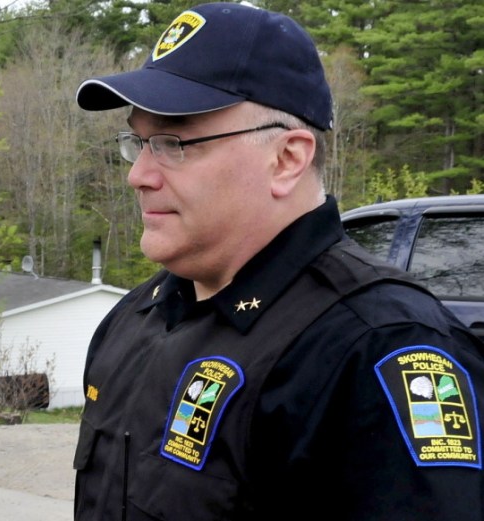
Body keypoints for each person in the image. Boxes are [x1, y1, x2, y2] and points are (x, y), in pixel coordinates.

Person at [71, 3, 484, 520]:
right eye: (139, 142)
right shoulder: (134, 320)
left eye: (173, 142)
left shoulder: (377, 348)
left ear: (287, 158)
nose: (140, 175)